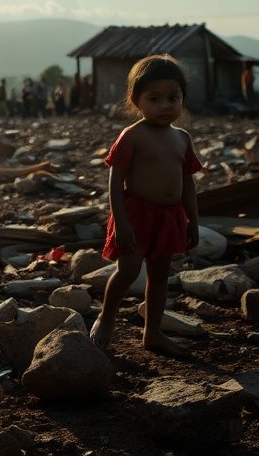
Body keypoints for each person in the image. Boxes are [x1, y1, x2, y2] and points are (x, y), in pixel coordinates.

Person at [90, 55, 203, 356]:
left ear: (183, 98)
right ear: (135, 100)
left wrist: (193, 219)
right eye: (155, 98)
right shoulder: (132, 136)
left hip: (169, 216)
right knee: (127, 270)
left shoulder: (182, 138)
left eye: (173, 97)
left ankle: (152, 333)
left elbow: (188, 183)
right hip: (137, 213)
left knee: (160, 274)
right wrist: (121, 220)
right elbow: (115, 182)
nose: (165, 105)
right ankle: (106, 318)